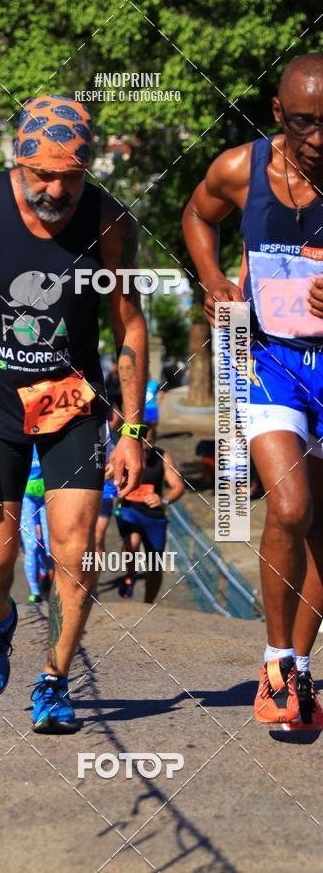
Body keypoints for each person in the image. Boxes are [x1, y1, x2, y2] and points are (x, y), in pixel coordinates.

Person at [0, 93, 148, 733]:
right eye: (40, 174)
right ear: (18, 160)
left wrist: (132, 430)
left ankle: (54, 680)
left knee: (78, 553)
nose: (54, 189)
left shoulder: (108, 220)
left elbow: (129, 324)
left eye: (69, 177)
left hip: (74, 408)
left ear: (88, 167)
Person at [182, 53, 323, 727]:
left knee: (321, 527)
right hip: (268, 359)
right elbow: (195, 216)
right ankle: (274, 663)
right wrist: (212, 279)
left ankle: (295, 676)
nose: (319, 138)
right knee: (289, 506)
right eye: (304, 123)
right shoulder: (240, 169)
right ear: (278, 114)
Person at [114, 423, 185, 602]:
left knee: (154, 565)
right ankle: (130, 574)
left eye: (148, 438)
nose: (144, 442)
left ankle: (148, 603)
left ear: (154, 438)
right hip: (129, 510)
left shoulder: (163, 457)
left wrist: (163, 500)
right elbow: (109, 476)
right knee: (133, 540)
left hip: (154, 516)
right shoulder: (122, 453)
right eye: (141, 438)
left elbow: (178, 486)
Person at [20, 445, 53, 604]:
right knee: (32, 545)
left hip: (48, 495)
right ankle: (35, 592)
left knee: (50, 547)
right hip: (26, 498)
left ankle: (45, 574)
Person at [94, 405, 121, 556]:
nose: (111, 423)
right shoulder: (90, 429)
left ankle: (94, 579)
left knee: (97, 538)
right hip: (83, 489)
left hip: (106, 491)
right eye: (109, 419)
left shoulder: (117, 438)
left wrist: (115, 466)